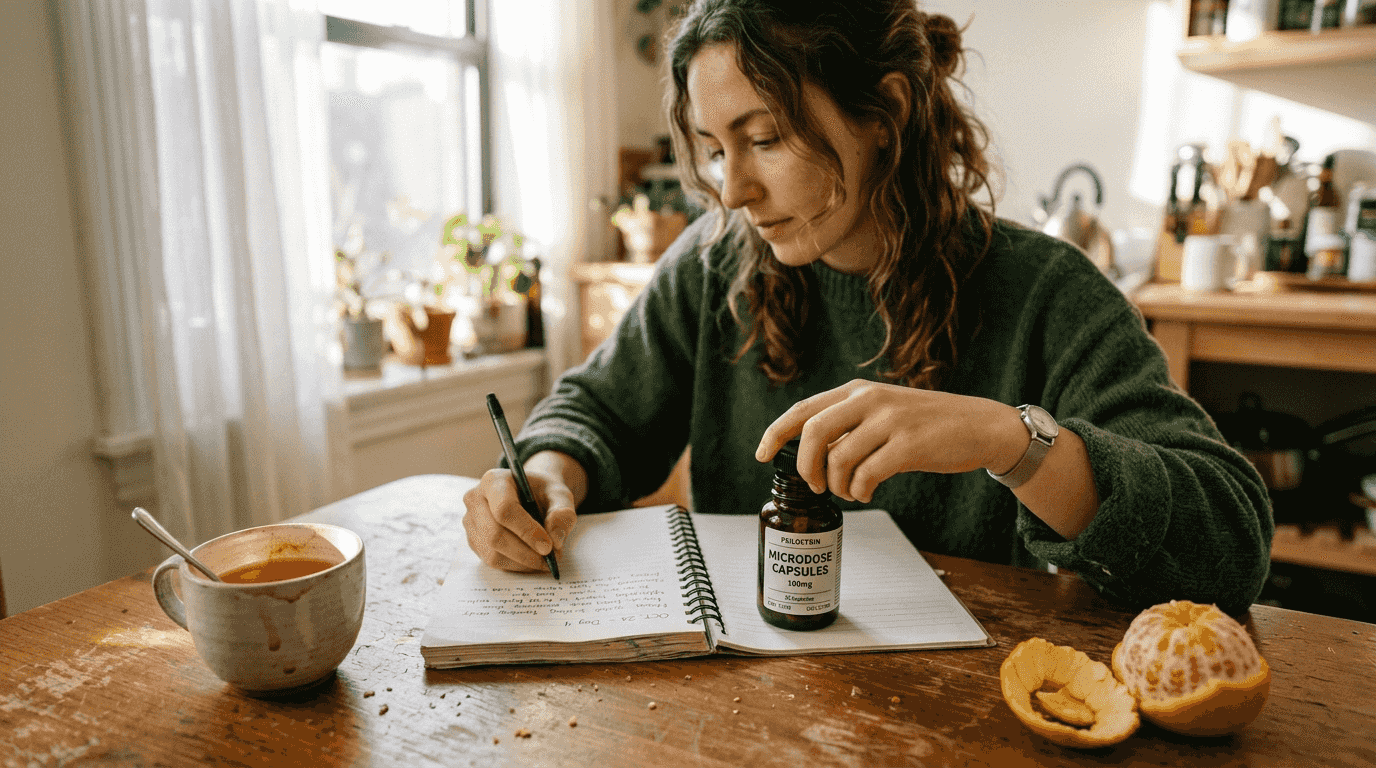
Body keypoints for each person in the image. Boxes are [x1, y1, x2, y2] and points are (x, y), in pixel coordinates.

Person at [462, 0, 1272, 615]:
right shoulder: (713, 264)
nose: (733, 190)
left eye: (765, 138)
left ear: (885, 114)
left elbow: (1231, 544)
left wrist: (1010, 439)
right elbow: (596, 412)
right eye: (714, 150)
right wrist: (545, 474)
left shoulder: (1048, 293)